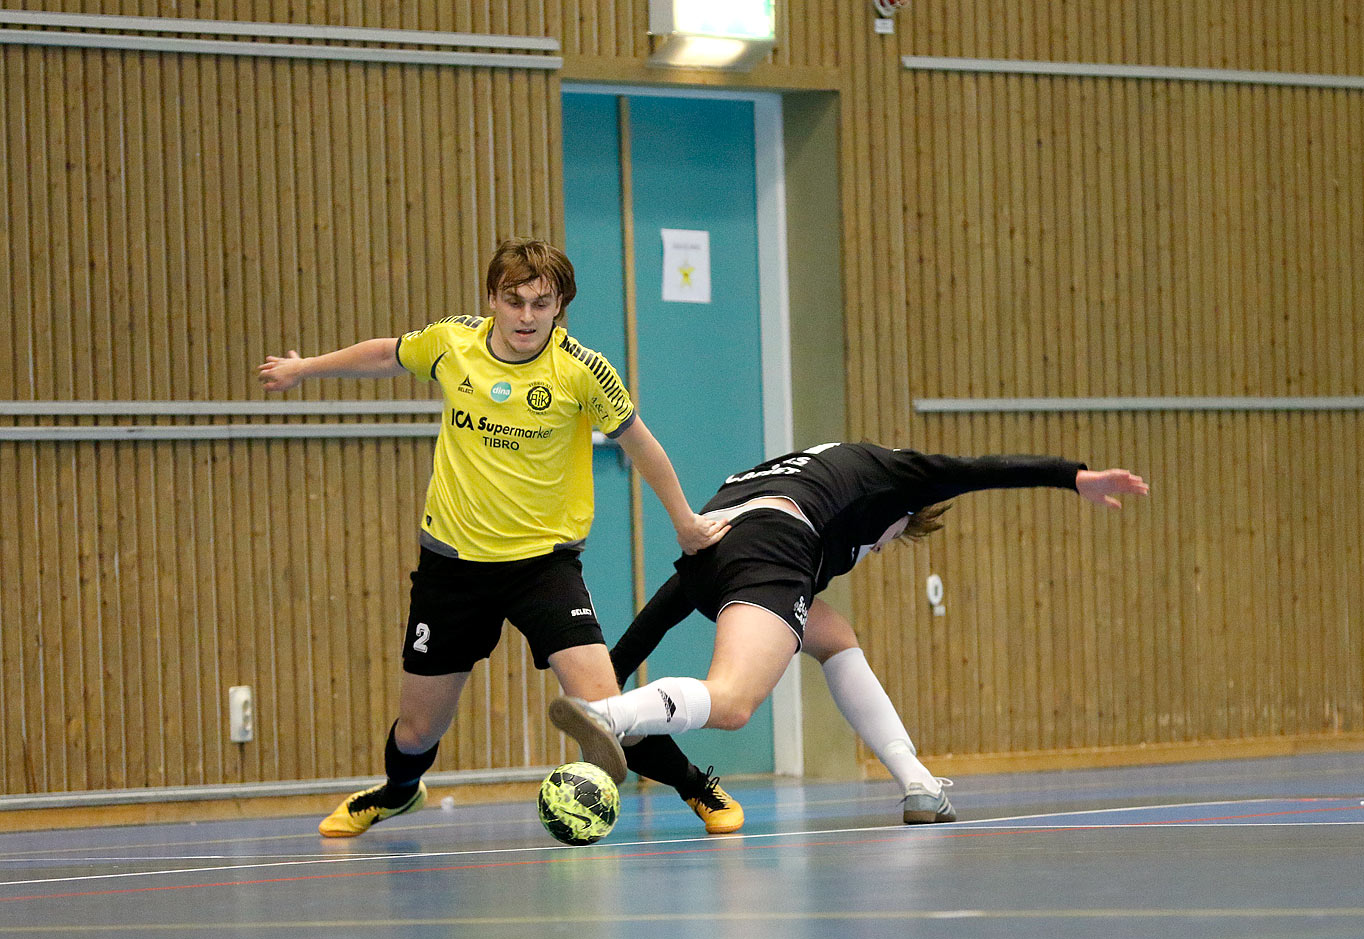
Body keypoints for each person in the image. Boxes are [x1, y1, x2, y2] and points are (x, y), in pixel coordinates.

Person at [258, 238, 742, 837]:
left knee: (605, 708)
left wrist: (685, 521)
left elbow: (641, 445)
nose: (527, 317)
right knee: (418, 730)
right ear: (492, 299)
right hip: (452, 567)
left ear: (560, 306)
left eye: (542, 303)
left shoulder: (582, 372)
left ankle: (697, 788)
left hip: (543, 566)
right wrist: (305, 369)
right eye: (514, 301)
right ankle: (398, 791)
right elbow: (388, 354)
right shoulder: (453, 342)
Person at [550, 442, 1150, 823]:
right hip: (775, 548)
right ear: (903, 517)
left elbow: (683, 590)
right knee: (732, 701)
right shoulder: (898, 473)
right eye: (890, 541)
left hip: (715, 551)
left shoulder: (782, 473)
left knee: (835, 634)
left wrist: (619, 663)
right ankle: (614, 718)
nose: (881, 547)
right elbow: (977, 470)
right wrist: (1073, 477)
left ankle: (916, 782)